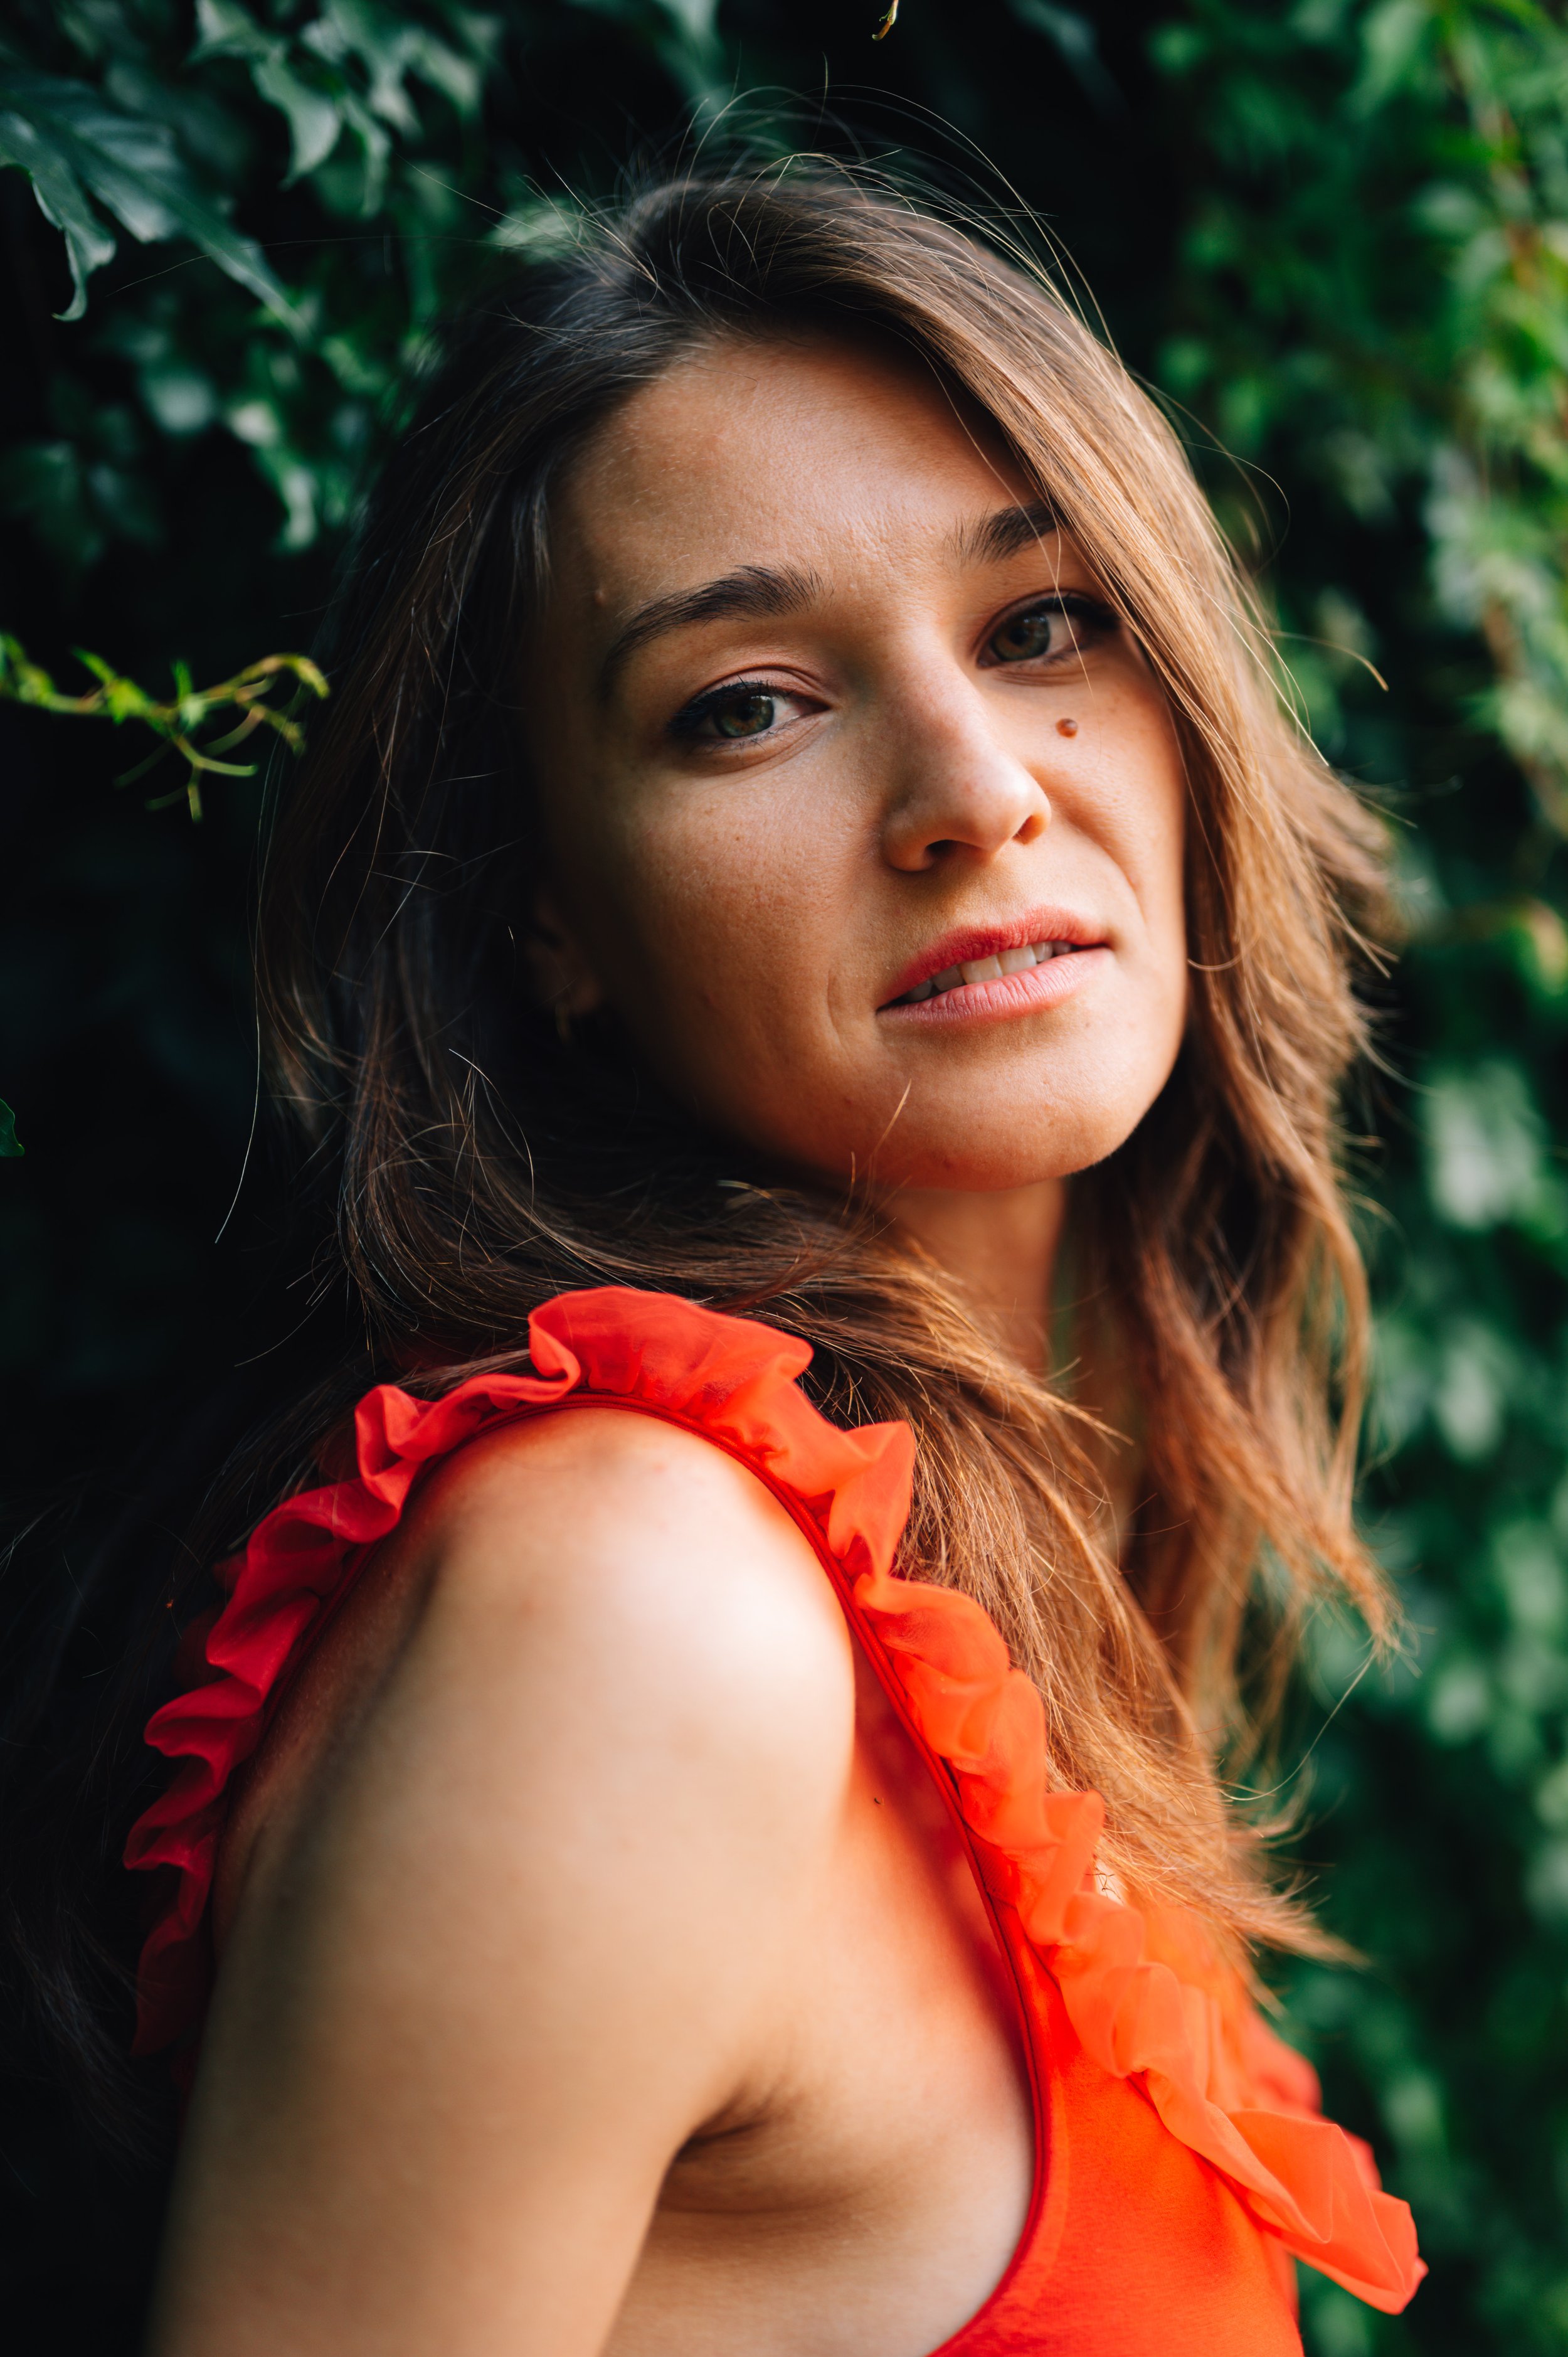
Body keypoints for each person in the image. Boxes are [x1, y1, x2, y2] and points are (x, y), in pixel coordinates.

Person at [119, 164, 1423, 2353]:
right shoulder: (632, 1609)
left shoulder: (983, 1569)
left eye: (1042, 623)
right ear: (547, 917)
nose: (974, 789)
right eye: (744, 702)